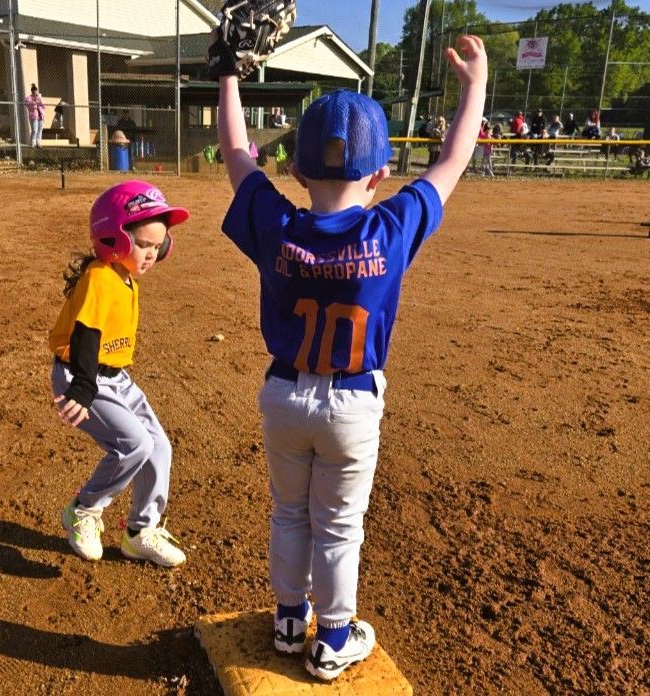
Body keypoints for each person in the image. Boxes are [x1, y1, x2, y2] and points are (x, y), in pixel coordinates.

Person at [214, 34, 487, 682]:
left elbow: (234, 153)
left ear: (298, 172)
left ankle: (288, 619)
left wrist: (229, 74)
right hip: (352, 404)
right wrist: (474, 85)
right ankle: (333, 637)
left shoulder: (279, 225)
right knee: (338, 528)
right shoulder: (390, 229)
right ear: (380, 174)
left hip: (284, 395)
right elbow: (453, 160)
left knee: (289, 511)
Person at [49, 181, 190, 567]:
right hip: (83, 374)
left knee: (159, 446)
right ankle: (84, 509)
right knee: (134, 445)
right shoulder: (100, 275)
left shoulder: (125, 277)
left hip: (115, 378)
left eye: (157, 246)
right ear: (115, 238)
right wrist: (82, 385)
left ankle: (140, 532)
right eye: (144, 244)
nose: (152, 253)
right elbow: (86, 333)